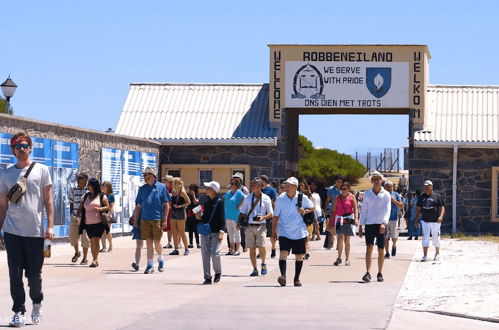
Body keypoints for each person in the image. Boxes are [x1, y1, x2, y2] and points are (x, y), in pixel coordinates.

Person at [0, 132, 55, 327]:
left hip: (35, 232)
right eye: (17, 146)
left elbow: (48, 200)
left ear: (30, 147)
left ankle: (37, 301)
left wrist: (49, 226)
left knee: (34, 276)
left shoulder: (41, 170)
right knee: (15, 274)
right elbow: (3, 206)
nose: (21, 149)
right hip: (12, 231)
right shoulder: (6, 174)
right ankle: (18, 311)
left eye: (24, 145)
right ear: (12, 150)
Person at [272, 177, 315, 287]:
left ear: (295, 187)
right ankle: (283, 276)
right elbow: (275, 216)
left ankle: (296, 279)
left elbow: (313, 207)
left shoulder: (302, 197)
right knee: (283, 254)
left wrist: (304, 211)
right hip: (284, 231)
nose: (287, 187)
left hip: (299, 231)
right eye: (286, 185)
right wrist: (273, 231)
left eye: (290, 185)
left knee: (299, 256)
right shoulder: (280, 198)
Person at [133, 168, 170, 274]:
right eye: (144, 175)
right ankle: (150, 265)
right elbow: (138, 206)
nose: (144, 177)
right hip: (145, 219)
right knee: (149, 242)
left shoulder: (162, 187)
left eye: (146, 175)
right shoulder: (142, 189)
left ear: (152, 176)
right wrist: (135, 221)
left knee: (157, 242)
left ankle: (161, 259)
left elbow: (166, 205)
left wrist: (165, 220)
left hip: (157, 219)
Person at [358, 171, 391, 283]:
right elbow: (364, 210)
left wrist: (384, 223)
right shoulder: (367, 194)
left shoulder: (386, 194)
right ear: (372, 181)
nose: (377, 181)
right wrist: (360, 225)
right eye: (374, 179)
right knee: (369, 247)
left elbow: (388, 210)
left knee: (381, 249)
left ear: (381, 181)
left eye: (378, 179)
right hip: (369, 224)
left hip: (381, 224)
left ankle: (380, 273)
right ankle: (368, 272)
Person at [239, 177, 273, 276]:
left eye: (254, 185)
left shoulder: (266, 198)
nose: (252, 187)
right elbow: (242, 211)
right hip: (249, 226)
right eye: (252, 185)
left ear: (259, 187)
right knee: (252, 248)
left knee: (262, 246)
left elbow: (271, 213)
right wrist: (238, 223)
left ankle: (263, 263)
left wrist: (263, 218)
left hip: (261, 226)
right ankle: (254, 269)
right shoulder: (248, 197)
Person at [195, 181, 225, 284]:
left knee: (215, 253)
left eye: (208, 188)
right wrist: (199, 216)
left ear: (213, 190)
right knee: (205, 255)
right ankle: (207, 277)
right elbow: (204, 218)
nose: (206, 189)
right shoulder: (206, 202)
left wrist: (222, 231)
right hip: (206, 231)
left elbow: (222, 218)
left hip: (216, 232)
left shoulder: (220, 202)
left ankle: (218, 272)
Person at [78, 177, 109, 268]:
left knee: (96, 240)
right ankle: (94, 258)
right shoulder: (85, 196)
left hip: (99, 222)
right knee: (92, 241)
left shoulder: (102, 196)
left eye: (89, 185)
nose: (88, 187)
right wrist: (78, 217)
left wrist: (99, 209)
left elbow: (107, 207)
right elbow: (80, 208)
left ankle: (95, 259)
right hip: (88, 223)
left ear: (94, 186)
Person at [415, 181, 445, 262]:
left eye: (427, 186)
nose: (426, 188)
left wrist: (441, 216)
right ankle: (425, 255)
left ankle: (437, 253)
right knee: (425, 238)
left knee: (436, 237)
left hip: (436, 221)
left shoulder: (437, 196)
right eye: (425, 186)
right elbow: (418, 209)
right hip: (425, 221)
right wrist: (416, 219)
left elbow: (442, 207)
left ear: (431, 187)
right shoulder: (421, 196)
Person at [331, 182, 358, 266]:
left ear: (348, 189)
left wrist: (356, 219)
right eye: (342, 189)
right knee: (340, 238)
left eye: (345, 189)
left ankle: (347, 259)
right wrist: (331, 223)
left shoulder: (352, 197)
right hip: (339, 219)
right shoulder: (337, 198)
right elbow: (333, 211)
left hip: (349, 219)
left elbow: (356, 209)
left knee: (347, 240)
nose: (343, 190)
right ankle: (339, 258)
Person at [68, 172, 90, 264]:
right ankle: (77, 252)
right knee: (73, 237)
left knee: (85, 238)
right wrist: (72, 216)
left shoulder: (89, 191)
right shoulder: (73, 190)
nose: (85, 183)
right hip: (74, 217)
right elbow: (71, 204)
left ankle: (85, 258)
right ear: (78, 181)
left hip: (86, 218)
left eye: (86, 181)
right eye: (83, 181)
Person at [169, 178, 191, 256]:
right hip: (173, 212)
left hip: (181, 212)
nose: (171, 184)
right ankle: (176, 249)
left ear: (176, 183)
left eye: (173, 183)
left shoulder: (182, 192)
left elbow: (188, 202)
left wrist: (179, 206)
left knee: (182, 231)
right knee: (174, 232)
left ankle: (186, 249)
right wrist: (170, 206)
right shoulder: (173, 191)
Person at [223, 178, 245, 255]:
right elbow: (223, 199)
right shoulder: (228, 192)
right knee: (230, 233)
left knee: (236, 233)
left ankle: (238, 249)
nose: (231, 185)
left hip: (236, 216)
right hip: (228, 215)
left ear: (236, 185)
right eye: (230, 183)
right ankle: (231, 249)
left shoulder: (239, 193)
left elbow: (245, 198)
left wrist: (240, 205)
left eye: (232, 184)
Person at [384, 180, 404, 259]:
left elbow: (401, 206)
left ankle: (394, 245)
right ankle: (387, 253)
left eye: (391, 186)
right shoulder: (382, 194)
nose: (389, 188)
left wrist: (394, 200)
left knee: (394, 237)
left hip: (393, 218)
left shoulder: (396, 194)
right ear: (384, 187)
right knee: (385, 237)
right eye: (387, 186)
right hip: (384, 219)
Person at [259, 174, 278, 258]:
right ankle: (261, 251)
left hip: (269, 215)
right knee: (260, 235)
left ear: (264, 181)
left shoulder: (271, 190)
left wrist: (274, 215)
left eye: (260, 181)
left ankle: (273, 248)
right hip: (260, 216)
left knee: (271, 234)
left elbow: (274, 203)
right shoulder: (258, 190)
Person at [298, 181, 315, 260]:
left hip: (307, 217)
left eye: (302, 185)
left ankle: (306, 252)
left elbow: (312, 207)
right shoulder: (295, 194)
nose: (301, 186)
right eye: (300, 185)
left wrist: (305, 211)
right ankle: (303, 251)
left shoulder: (308, 195)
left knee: (306, 236)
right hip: (298, 217)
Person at [100, 181, 115, 253]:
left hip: (108, 215)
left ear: (108, 187)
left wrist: (109, 215)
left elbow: (111, 206)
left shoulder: (111, 195)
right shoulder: (101, 195)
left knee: (107, 231)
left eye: (104, 185)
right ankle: (104, 247)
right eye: (102, 185)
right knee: (102, 231)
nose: (102, 186)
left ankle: (111, 245)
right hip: (101, 215)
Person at [186, 184, 200, 249]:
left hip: (196, 213)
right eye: (190, 188)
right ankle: (191, 243)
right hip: (189, 213)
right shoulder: (188, 195)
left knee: (196, 229)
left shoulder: (198, 195)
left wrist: (194, 195)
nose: (190, 190)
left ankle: (198, 243)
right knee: (190, 229)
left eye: (192, 188)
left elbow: (195, 202)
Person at [129, 206, 143, 271]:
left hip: (140, 223)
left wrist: (134, 220)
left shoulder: (140, 198)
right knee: (148, 244)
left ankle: (137, 264)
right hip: (141, 223)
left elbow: (136, 210)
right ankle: (138, 264)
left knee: (139, 246)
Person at [162, 174, 174, 249]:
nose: (164, 181)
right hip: (167, 209)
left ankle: (178, 243)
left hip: (174, 210)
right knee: (169, 227)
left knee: (175, 228)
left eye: (165, 180)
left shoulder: (174, 189)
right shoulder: (164, 188)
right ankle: (170, 242)